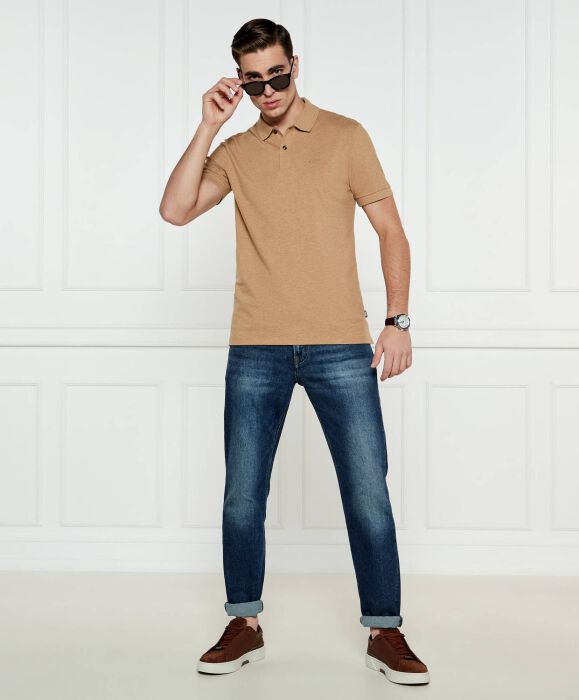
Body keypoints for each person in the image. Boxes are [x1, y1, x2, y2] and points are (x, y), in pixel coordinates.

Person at [159, 18, 429, 686]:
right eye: (253, 82)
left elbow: (391, 230)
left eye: (277, 75)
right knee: (242, 497)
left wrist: (397, 320)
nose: (269, 90)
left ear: (295, 65)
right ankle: (243, 623)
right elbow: (175, 210)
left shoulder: (345, 136)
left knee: (367, 493)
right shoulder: (235, 151)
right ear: (240, 82)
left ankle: (386, 630)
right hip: (257, 346)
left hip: (341, 344)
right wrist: (207, 127)